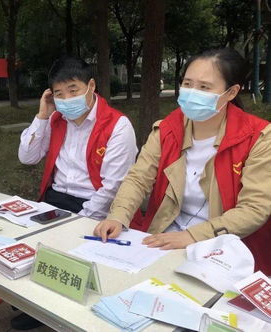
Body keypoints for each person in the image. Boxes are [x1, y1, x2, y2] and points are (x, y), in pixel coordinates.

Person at [94, 48, 271, 275]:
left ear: (231, 92)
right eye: (187, 84)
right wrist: (118, 215)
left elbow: (254, 209)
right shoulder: (168, 129)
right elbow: (138, 178)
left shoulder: (257, 137)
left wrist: (192, 236)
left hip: (223, 249)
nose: (192, 93)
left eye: (204, 87)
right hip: (164, 235)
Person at [18, 56, 137, 220]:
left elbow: (113, 187)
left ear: (92, 86)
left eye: (73, 91)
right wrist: (42, 116)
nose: (67, 99)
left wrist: (78, 221)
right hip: (54, 202)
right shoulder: (56, 120)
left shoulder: (117, 125)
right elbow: (27, 157)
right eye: (59, 94)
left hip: (94, 207)